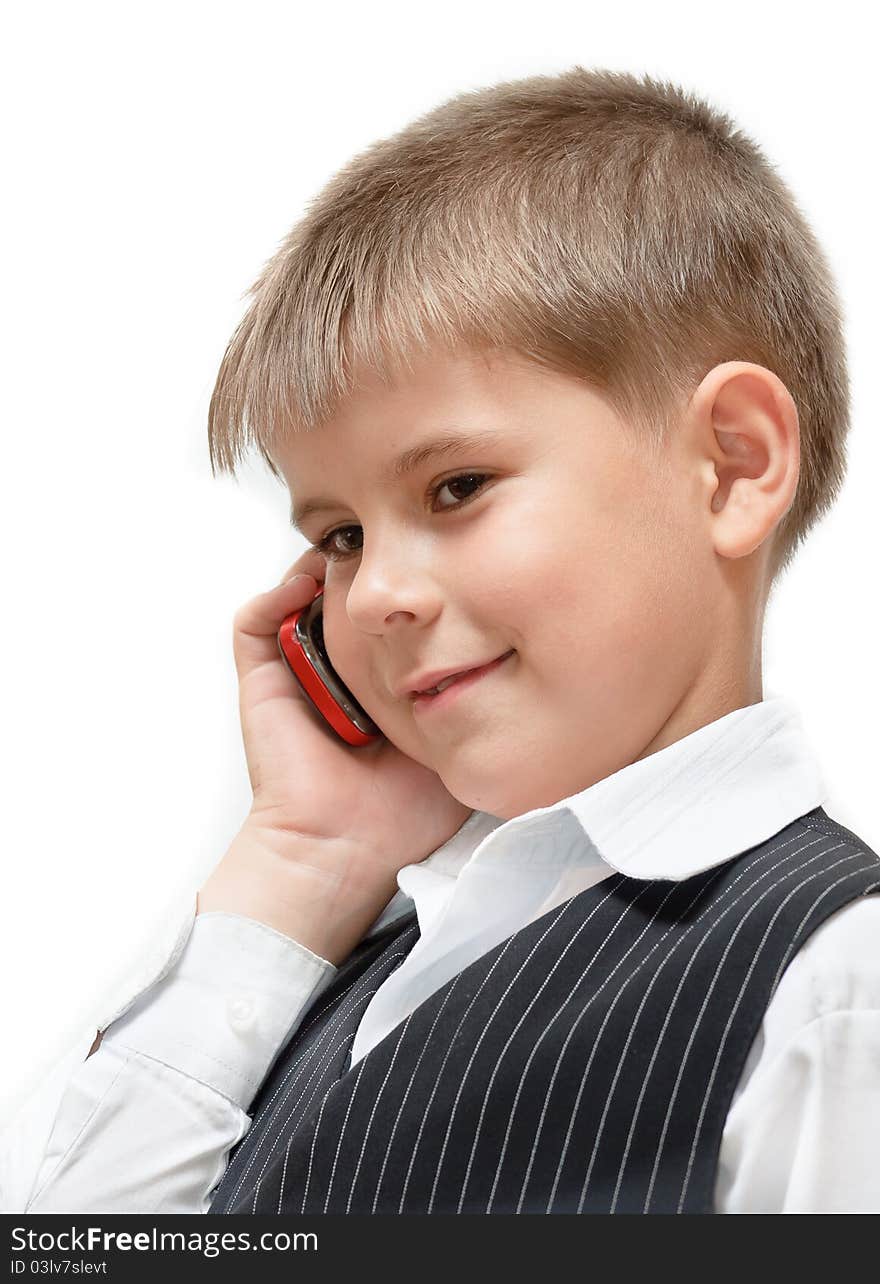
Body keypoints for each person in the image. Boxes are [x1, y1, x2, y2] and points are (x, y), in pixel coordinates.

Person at [3, 66, 879, 1216]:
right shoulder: (351, 975)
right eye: (341, 535)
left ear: (733, 464)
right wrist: (306, 861)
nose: (369, 599)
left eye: (456, 486)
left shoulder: (829, 985)